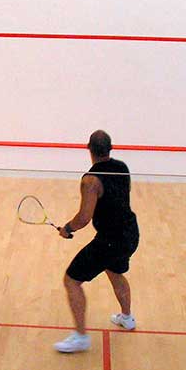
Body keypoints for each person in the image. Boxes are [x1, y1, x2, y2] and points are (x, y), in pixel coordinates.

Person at [54, 130, 140, 353]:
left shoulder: (90, 180)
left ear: (88, 148)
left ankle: (81, 337)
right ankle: (127, 317)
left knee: (71, 280)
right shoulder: (122, 167)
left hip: (110, 240)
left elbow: (84, 217)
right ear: (110, 148)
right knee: (114, 271)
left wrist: (67, 229)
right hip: (130, 233)